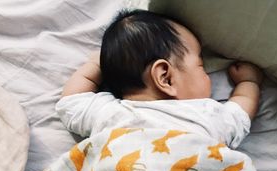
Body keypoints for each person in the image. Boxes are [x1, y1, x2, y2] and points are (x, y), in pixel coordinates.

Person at [56, 9, 263, 150]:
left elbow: (72, 101)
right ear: (165, 77)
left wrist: (95, 65)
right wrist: (248, 84)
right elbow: (241, 111)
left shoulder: (109, 113)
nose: (206, 74)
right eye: (201, 66)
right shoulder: (207, 115)